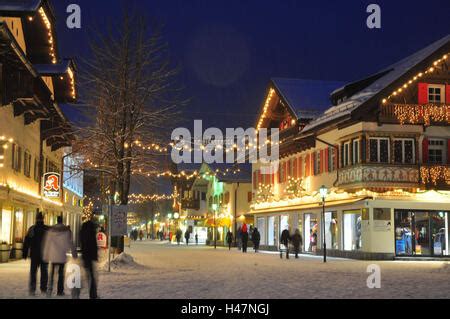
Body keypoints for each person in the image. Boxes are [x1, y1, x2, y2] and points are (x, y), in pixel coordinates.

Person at [43, 216, 77, 297]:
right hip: (62, 256)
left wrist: (45, 255)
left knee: (51, 274)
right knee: (61, 274)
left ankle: (49, 290)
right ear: (62, 221)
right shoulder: (66, 230)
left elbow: (47, 243)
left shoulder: (51, 229)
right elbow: (70, 242)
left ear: (57, 221)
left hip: (53, 256)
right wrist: (74, 253)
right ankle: (60, 291)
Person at [23, 212, 49, 296]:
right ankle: (43, 288)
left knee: (33, 272)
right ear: (43, 219)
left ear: (36, 219)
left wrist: (25, 253)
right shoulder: (46, 229)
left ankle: (32, 289)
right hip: (44, 254)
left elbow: (26, 241)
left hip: (34, 254)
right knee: (44, 271)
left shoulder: (32, 229)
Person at [79, 216, 99, 299]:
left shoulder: (82, 232)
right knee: (91, 277)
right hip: (90, 256)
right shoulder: (91, 233)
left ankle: (78, 292)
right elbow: (93, 246)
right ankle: (93, 295)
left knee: (87, 276)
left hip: (85, 256)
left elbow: (82, 243)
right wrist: (95, 256)